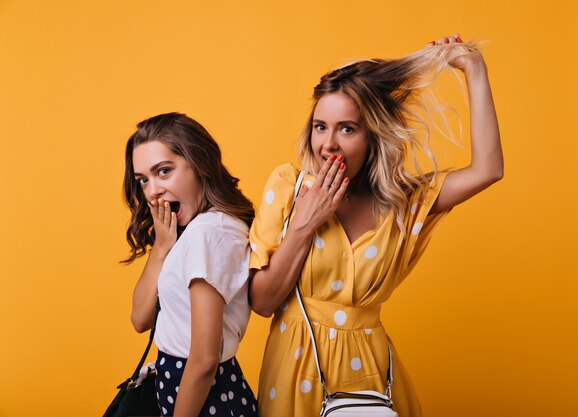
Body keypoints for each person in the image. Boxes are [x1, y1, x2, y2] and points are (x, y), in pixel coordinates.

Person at [248, 34, 504, 416]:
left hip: (373, 379)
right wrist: (305, 224)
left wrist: (475, 71)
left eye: (347, 129)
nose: (328, 144)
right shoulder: (288, 187)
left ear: (373, 136)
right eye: (320, 126)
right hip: (295, 374)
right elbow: (262, 302)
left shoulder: (403, 202)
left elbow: (488, 170)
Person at [123, 113, 259, 417]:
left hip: (209, 401)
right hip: (185, 393)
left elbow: (204, 360)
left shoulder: (210, 233)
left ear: (199, 164)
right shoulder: (190, 234)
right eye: (143, 180)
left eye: (164, 171)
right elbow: (140, 318)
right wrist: (161, 246)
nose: (153, 190)